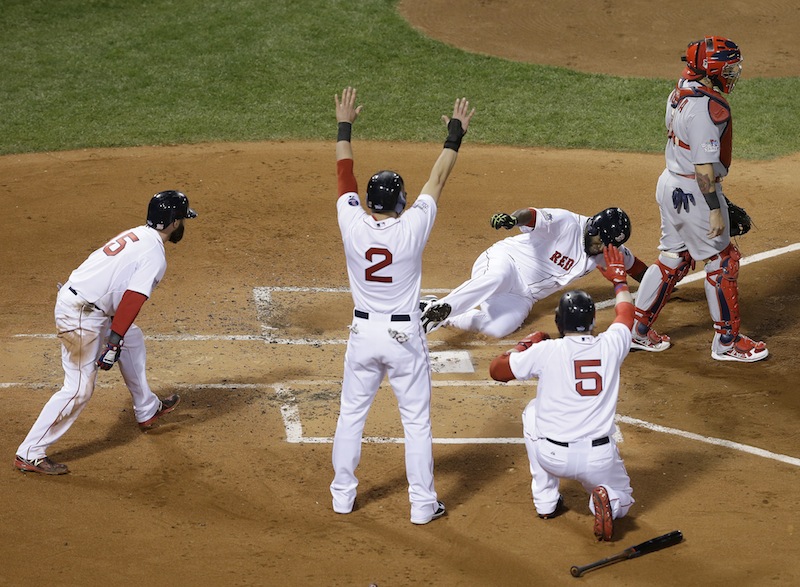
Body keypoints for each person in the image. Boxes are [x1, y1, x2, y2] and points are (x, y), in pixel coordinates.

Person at [330, 87, 475, 524]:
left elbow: (344, 176)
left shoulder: (351, 222)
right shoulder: (413, 226)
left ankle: (342, 496)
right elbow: (438, 178)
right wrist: (455, 134)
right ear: (399, 202)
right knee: (416, 424)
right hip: (403, 338)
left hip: (361, 334)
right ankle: (422, 505)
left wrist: (345, 124)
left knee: (350, 416)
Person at [14, 190, 197, 475]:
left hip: (84, 301)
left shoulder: (138, 234)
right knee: (78, 388)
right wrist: (112, 343)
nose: (183, 224)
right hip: (81, 313)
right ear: (173, 222)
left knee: (132, 338)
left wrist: (118, 336)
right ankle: (30, 452)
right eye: (182, 219)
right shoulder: (154, 255)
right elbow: (132, 299)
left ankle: (147, 408)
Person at [631, 36, 768, 362]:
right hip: (695, 190)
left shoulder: (680, 91)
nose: (734, 73)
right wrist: (713, 209)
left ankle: (636, 331)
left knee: (673, 258)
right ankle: (727, 342)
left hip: (670, 183)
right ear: (714, 69)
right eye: (730, 68)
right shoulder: (709, 108)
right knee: (723, 261)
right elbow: (705, 166)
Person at [489, 244, 635, 541]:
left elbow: (497, 371)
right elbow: (625, 313)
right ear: (594, 321)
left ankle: (545, 501)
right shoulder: (612, 344)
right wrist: (620, 280)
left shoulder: (547, 350)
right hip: (599, 459)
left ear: (558, 322)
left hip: (552, 455)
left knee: (532, 412)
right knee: (624, 498)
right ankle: (605, 501)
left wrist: (525, 345)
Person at [420, 206, 648, 338]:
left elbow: (635, 267)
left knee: (498, 329)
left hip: (522, 296)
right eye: (599, 240)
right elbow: (532, 215)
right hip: (507, 261)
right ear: (592, 228)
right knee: (495, 278)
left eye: (606, 245)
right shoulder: (567, 222)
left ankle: (441, 313)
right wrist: (513, 219)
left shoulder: (608, 250)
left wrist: (656, 287)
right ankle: (440, 309)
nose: (600, 248)